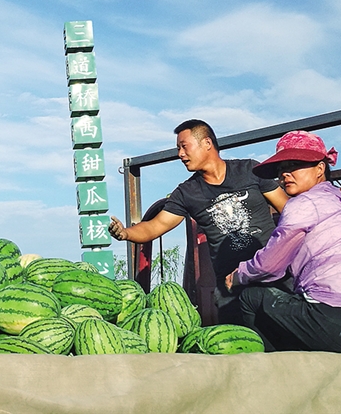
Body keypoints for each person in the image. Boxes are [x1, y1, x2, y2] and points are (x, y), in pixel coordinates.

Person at [224, 131, 341, 353]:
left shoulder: (303, 203)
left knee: (250, 297)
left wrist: (239, 275)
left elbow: (270, 265)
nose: (285, 174)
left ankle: (268, 373)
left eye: (294, 165)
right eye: (280, 169)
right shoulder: (339, 202)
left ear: (320, 169)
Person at [108, 119, 289, 324]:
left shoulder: (249, 170)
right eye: (178, 149)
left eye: (184, 147)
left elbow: (289, 210)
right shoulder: (187, 192)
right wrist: (126, 233)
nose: (180, 154)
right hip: (231, 289)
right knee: (244, 349)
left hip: (274, 276)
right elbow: (154, 226)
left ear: (207, 143)